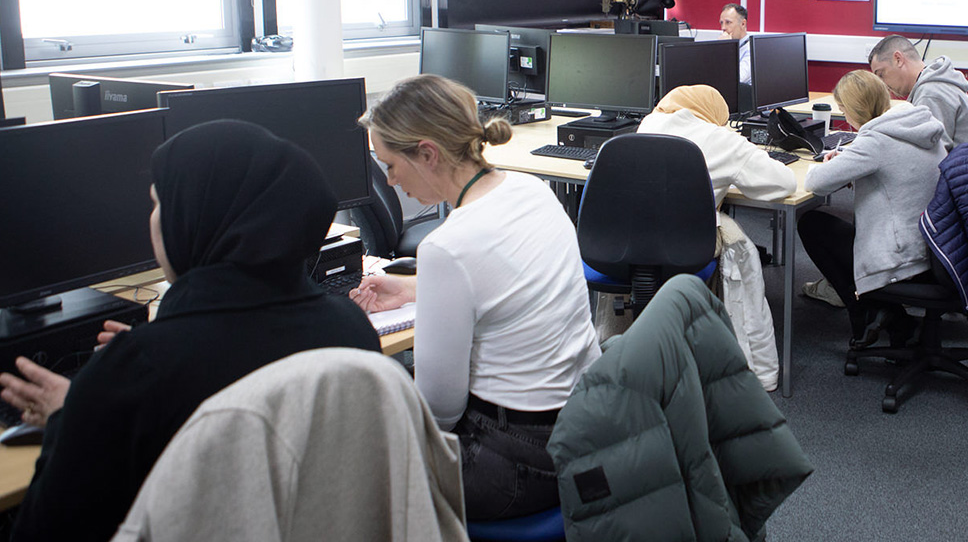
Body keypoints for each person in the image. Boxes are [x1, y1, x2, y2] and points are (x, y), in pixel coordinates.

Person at [0, 120, 382, 542]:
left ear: (192, 218)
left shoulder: (134, 375)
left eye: (158, 204)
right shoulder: (351, 329)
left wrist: (72, 414)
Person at [349, 74, 601, 520]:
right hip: (582, 424)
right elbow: (508, 286)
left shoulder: (448, 247)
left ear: (427, 153)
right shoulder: (532, 190)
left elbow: (440, 410)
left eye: (389, 165)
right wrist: (413, 288)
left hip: (517, 458)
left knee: (352, 468)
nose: (389, 182)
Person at [637, 84, 796, 391]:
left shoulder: (647, 125)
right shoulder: (722, 139)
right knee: (739, 243)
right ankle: (756, 368)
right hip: (689, 243)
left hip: (628, 240)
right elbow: (784, 183)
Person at [799, 70, 947, 344]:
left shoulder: (875, 141)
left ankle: (867, 312)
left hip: (904, 259)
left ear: (853, 110)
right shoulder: (919, 125)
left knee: (812, 223)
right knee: (839, 224)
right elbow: (897, 166)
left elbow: (816, 183)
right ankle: (886, 314)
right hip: (938, 252)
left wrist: (834, 163)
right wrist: (850, 160)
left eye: (843, 109)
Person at [868, 34, 968, 150]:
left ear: (898, 59)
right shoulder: (933, 84)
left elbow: (933, 154)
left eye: (881, 74)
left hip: (967, 170)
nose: (883, 84)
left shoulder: (930, 93)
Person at [719, 3, 751, 85]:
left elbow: (738, 79)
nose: (723, 28)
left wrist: (726, 48)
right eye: (721, 23)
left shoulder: (751, 48)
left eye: (728, 22)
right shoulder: (731, 45)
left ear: (743, 24)